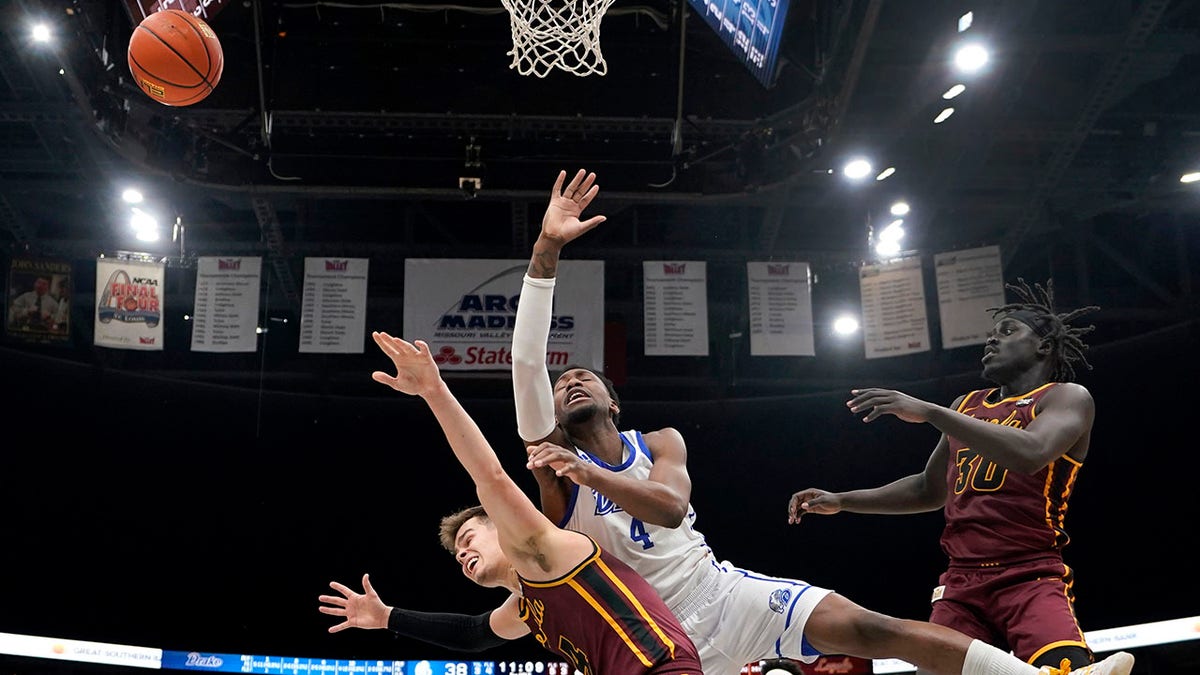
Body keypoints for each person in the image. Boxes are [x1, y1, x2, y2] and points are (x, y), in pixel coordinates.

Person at [372, 169, 1134, 675]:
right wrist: (544, 250)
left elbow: (670, 508)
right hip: (660, 635)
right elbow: (524, 363)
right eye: (563, 381)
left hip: (720, 590)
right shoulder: (550, 468)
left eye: (586, 375)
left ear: (613, 397)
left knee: (869, 626)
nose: (570, 380)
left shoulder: (657, 443)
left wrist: (598, 473)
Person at [319, 333, 705, 675]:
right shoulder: (529, 599)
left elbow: (489, 475)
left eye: (469, 537)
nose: (462, 553)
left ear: (504, 526)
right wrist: (388, 617)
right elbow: (472, 634)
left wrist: (434, 392)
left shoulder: (545, 551)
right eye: (458, 552)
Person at [787, 279, 1107, 673]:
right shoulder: (967, 406)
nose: (991, 341)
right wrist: (843, 499)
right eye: (991, 334)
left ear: (1043, 346)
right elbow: (928, 488)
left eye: (1007, 332)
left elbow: (1032, 454)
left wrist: (931, 412)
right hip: (960, 584)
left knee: (1065, 669)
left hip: (1030, 573)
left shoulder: (1066, 397)